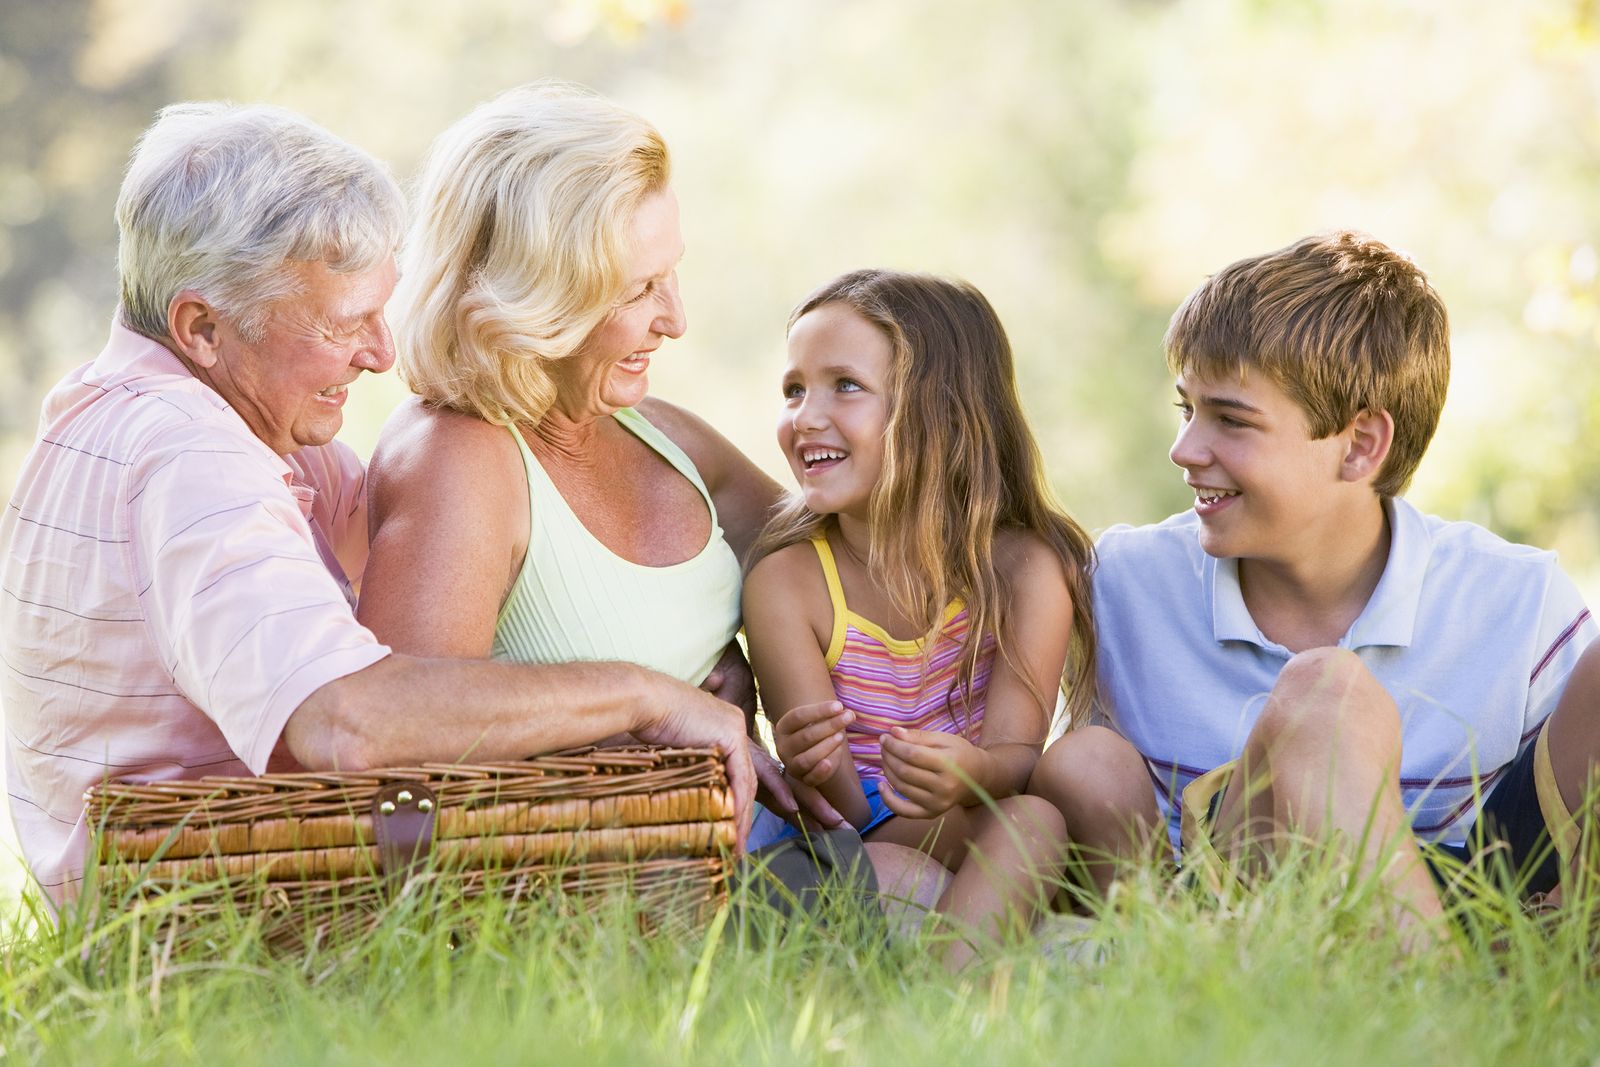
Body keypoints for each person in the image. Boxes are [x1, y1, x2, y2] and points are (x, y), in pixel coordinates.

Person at [0, 101, 756, 909]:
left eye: (380, 311)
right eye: (344, 323)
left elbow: (408, 588)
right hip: (215, 926)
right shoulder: (188, 459)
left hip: (205, 897)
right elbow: (351, 725)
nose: (382, 353)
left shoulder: (126, 413)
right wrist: (647, 695)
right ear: (202, 328)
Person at [1029, 231, 1598, 946]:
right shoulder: (1121, 584)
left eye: (1231, 419)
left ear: (1360, 446)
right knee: (1324, 694)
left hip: (1473, 896)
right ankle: (1436, 993)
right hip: (1240, 914)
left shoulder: (1519, 599)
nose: (1185, 449)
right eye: (1187, 410)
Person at [356, 83, 827, 844]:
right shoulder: (459, 456)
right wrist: (645, 705)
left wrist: (766, 659)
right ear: (537, 297)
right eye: (639, 290)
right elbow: (393, 733)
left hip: (748, 848)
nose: (675, 320)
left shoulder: (657, 431)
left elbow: (855, 568)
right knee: (921, 885)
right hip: (608, 882)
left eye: (671, 274)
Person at [741, 269, 1096, 968]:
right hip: (867, 838)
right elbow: (839, 818)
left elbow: (1018, 759)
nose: (805, 416)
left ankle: (946, 991)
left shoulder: (1025, 569)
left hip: (986, 822)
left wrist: (972, 773)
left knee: (1036, 820)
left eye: (845, 385)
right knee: (904, 868)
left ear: (943, 415)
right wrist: (815, 766)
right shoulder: (787, 582)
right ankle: (966, 986)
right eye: (794, 389)